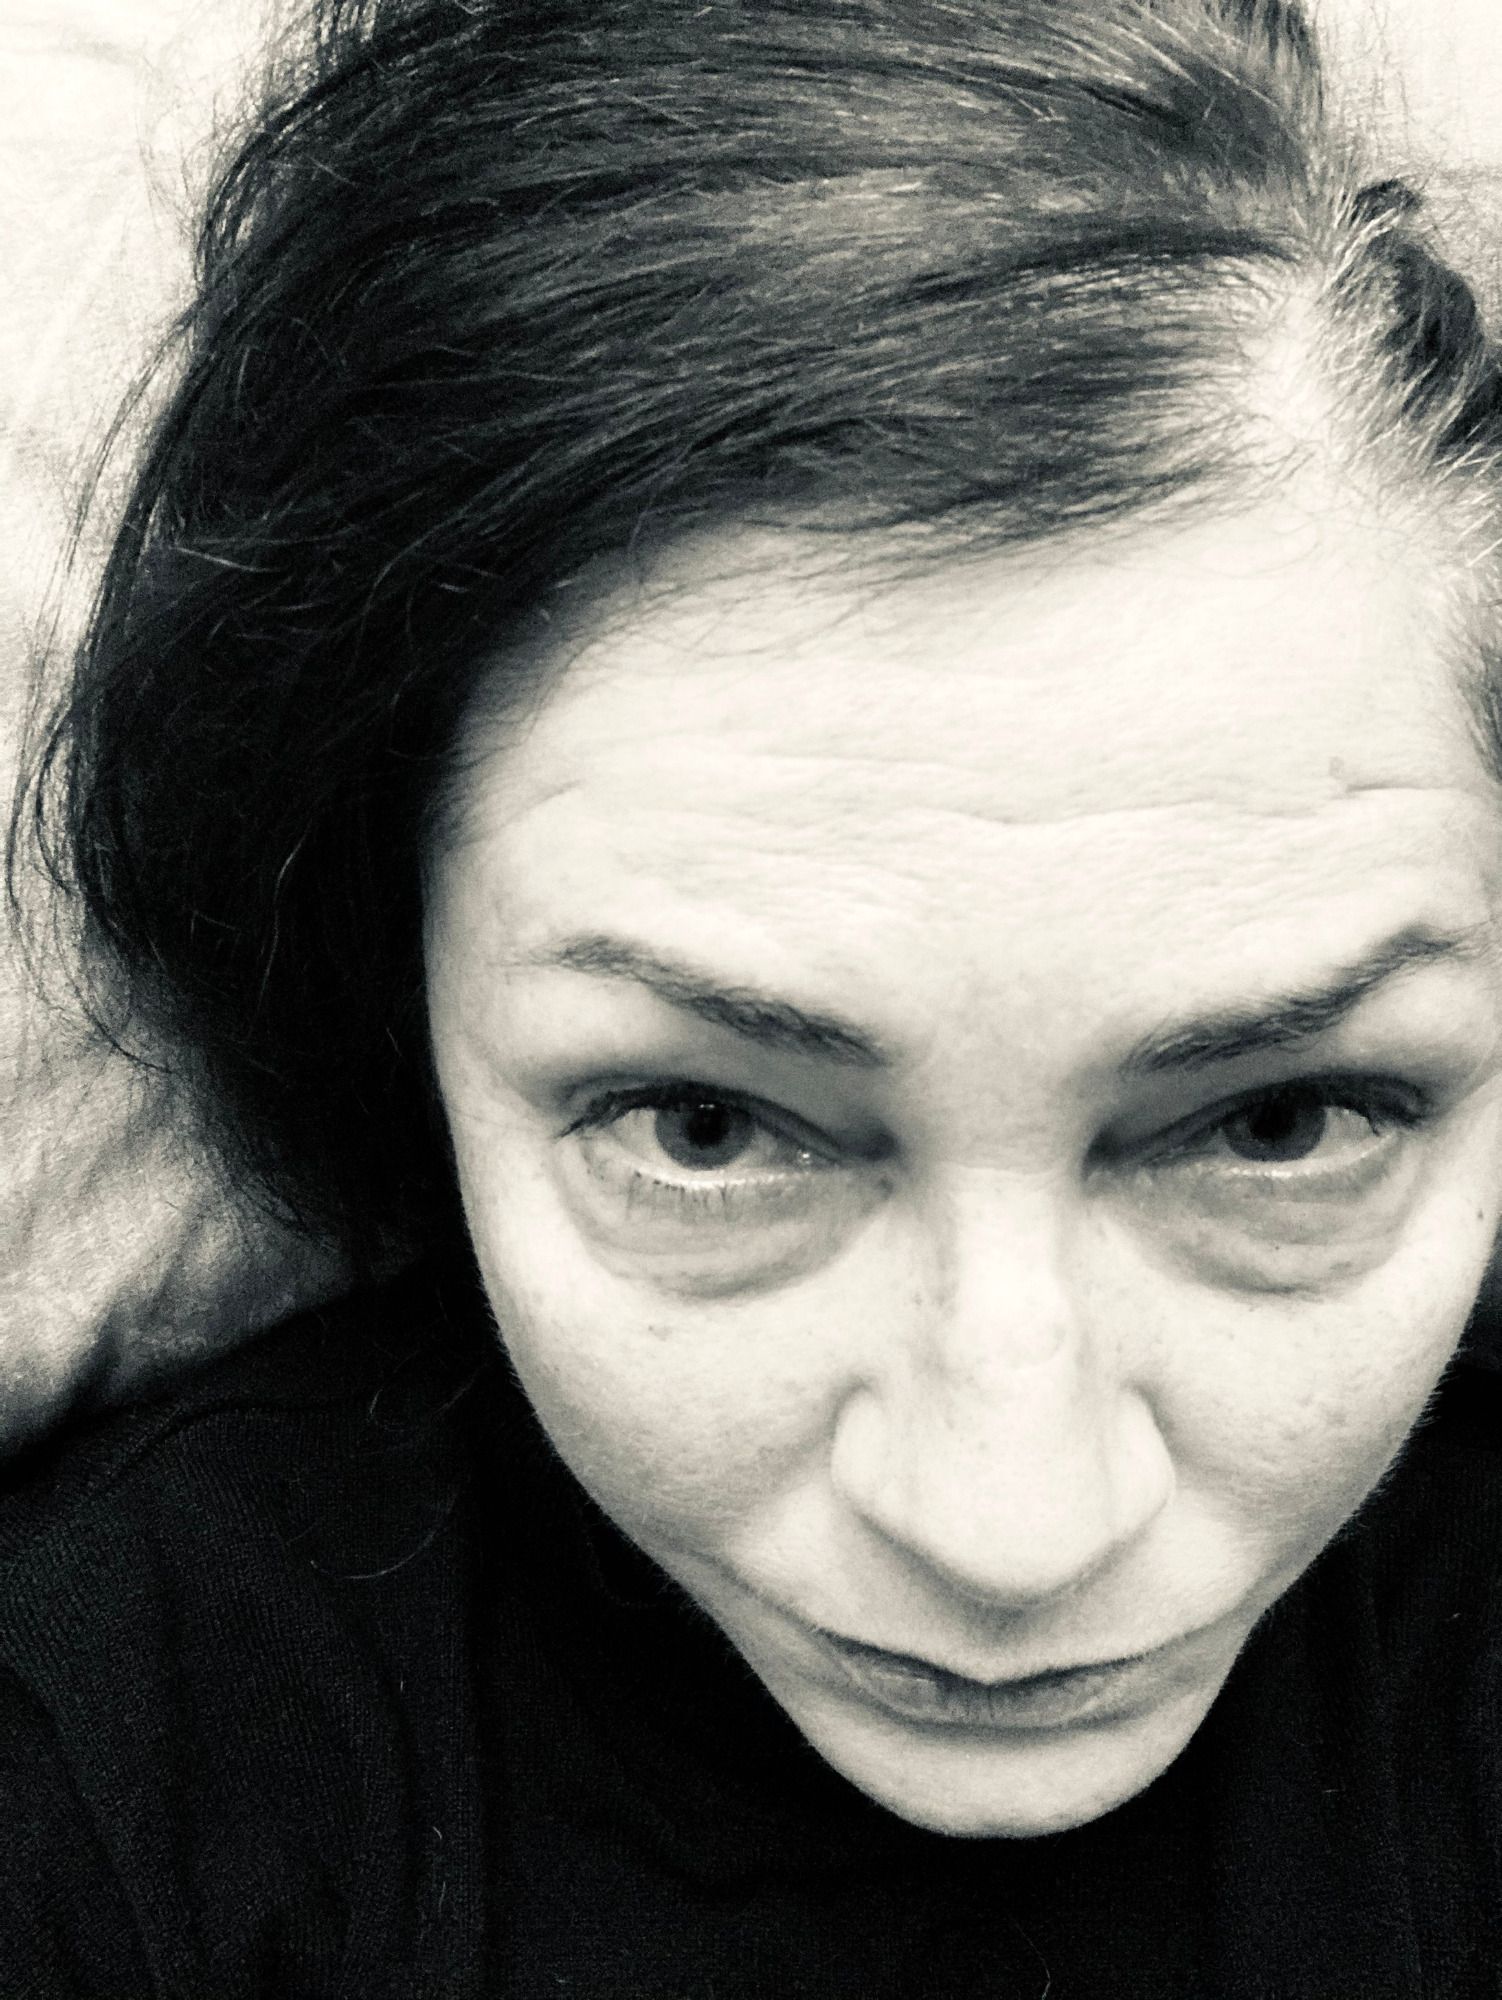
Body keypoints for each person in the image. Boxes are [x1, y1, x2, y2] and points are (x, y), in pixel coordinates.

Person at [7, 0, 1502, 1990]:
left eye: (1278, 1124)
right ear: (400, 986)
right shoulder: (123, 1766)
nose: (1010, 1528)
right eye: (705, 1129)